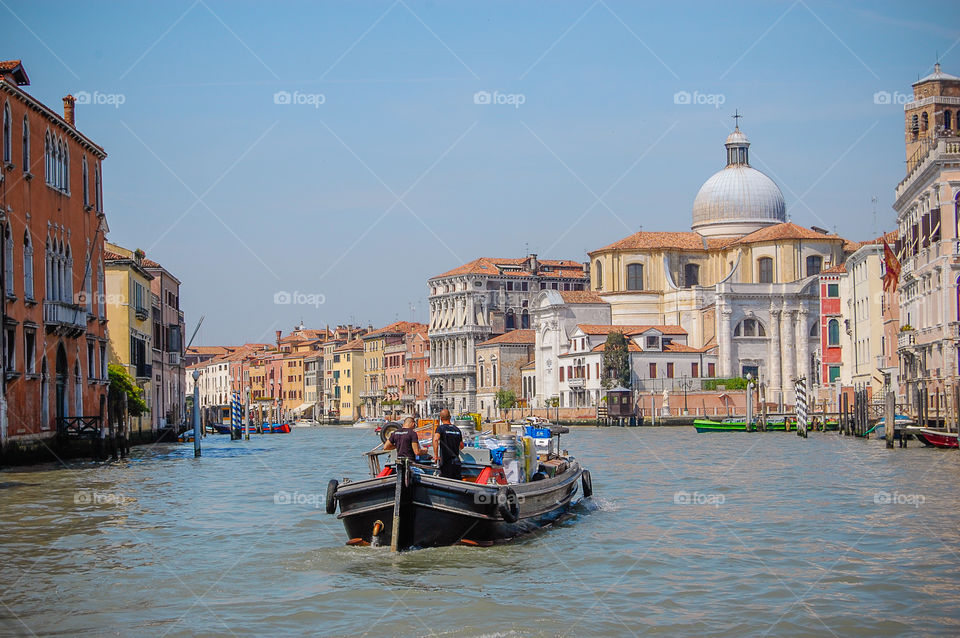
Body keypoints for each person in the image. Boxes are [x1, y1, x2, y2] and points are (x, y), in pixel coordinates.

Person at [432, 409, 465, 479]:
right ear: (450, 417)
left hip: (445, 463)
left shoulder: (440, 429)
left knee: (446, 482)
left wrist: (436, 456)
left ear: (441, 418)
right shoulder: (457, 429)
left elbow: (435, 440)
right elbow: (461, 446)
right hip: (456, 462)